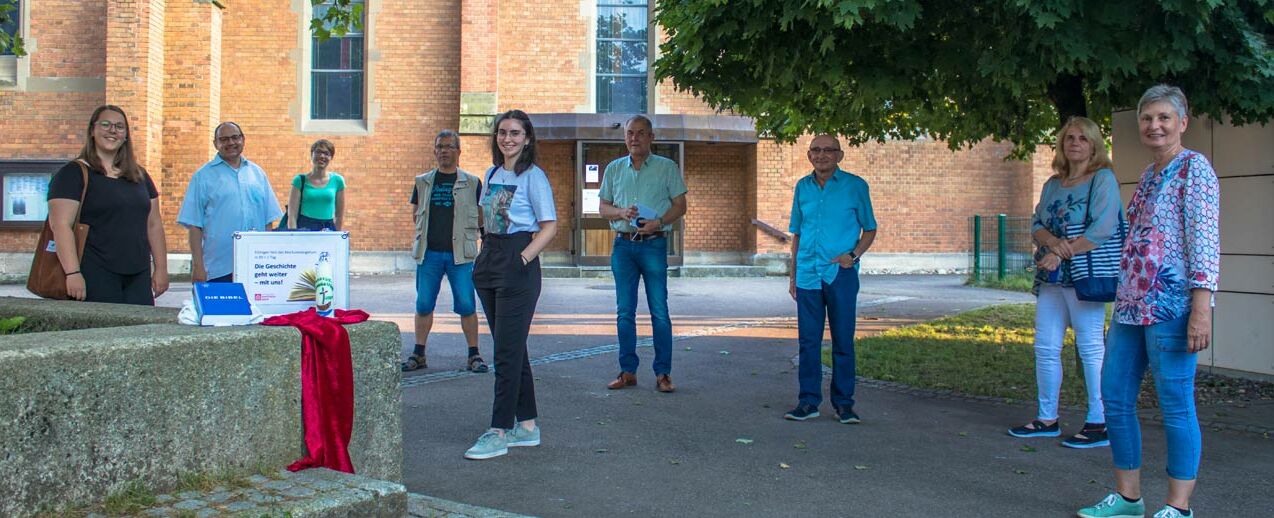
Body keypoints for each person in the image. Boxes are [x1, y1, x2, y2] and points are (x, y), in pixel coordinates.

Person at [1078, 85, 1219, 518]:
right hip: (1130, 305)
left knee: (1175, 401)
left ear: (1182, 122)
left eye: (1163, 117)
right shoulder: (1150, 172)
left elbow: (1205, 242)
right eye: (1146, 118)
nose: (1154, 125)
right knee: (1114, 395)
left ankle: (1178, 507)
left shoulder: (1195, 169)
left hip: (1173, 307)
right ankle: (1128, 498)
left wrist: (1201, 308)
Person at [1008, 116, 1120, 448]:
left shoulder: (1103, 179)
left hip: (1085, 275)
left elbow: (1102, 228)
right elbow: (1037, 223)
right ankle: (1047, 418)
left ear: (1094, 144)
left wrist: (1061, 253)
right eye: (1069, 138)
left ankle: (1099, 422)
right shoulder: (1052, 184)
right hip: (1052, 277)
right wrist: (1052, 247)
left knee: (1090, 348)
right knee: (1045, 346)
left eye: (1082, 138)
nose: (1074, 143)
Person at [463, 109, 557, 460]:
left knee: (505, 353)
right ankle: (527, 426)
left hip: (518, 260)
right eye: (503, 132)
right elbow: (486, 219)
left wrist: (523, 258)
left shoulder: (534, 177)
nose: (508, 138)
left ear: (527, 138)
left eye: (516, 133)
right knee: (511, 347)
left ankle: (498, 430)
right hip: (490, 258)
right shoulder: (491, 173)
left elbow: (549, 226)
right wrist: (481, 254)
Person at [784, 135, 877, 424]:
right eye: (816, 150)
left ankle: (844, 405)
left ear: (840, 155)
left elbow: (870, 229)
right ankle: (808, 402)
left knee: (843, 342)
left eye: (828, 150)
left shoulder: (855, 186)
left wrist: (854, 255)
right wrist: (793, 273)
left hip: (841, 274)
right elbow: (797, 233)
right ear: (809, 155)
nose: (821, 155)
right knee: (808, 342)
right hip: (808, 274)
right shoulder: (803, 187)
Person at [598, 115, 688, 393]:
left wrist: (659, 222)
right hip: (623, 245)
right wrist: (621, 212)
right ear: (624, 137)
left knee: (659, 311)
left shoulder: (666, 167)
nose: (634, 138)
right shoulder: (614, 169)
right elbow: (603, 207)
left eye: (640, 133)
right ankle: (627, 371)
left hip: (653, 244)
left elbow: (680, 205)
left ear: (651, 137)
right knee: (624, 311)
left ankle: (663, 374)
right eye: (629, 133)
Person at [46, 105, 168, 305]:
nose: (113, 130)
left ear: (126, 135)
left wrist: (161, 268)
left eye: (119, 127)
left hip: (138, 273)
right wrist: (72, 272)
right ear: (92, 131)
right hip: (93, 272)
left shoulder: (140, 176)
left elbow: (154, 224)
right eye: (105, 124)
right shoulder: (73, 173)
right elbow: (60, 226)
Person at [403, 130, 487, 373]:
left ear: (459, 151)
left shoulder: (472, 183)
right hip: (429, 254)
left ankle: (474, 354)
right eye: (440, 146)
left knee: (466, 304)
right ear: (434, 150)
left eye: (450, 146)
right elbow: (416, 214)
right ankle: (419, 354)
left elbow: (480, 216)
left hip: (460, 255)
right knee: (423, 303)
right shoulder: (423, 181)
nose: (444, 151)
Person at [177, 122, 283, 283]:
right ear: (215, 144)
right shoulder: (203, 176)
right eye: (224, 139)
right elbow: (194, 225)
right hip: (218, 267)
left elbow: (268, 221)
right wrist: (198, 266)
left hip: (255, 266)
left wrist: (267, 259)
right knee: (220, 309)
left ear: (243, 139)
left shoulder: (257, 174)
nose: (231, 143)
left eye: (235, 137)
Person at [285, 139, 345, 231]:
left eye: (326, 153)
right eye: (318, 152)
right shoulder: (300, 180)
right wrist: (294, 237)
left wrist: (337, 238)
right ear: (311, 154)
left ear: (331, 157)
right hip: (305, 228)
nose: (322, 156)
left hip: (328, 228)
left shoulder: (338, 180)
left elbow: (339, 216)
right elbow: (292, 215)